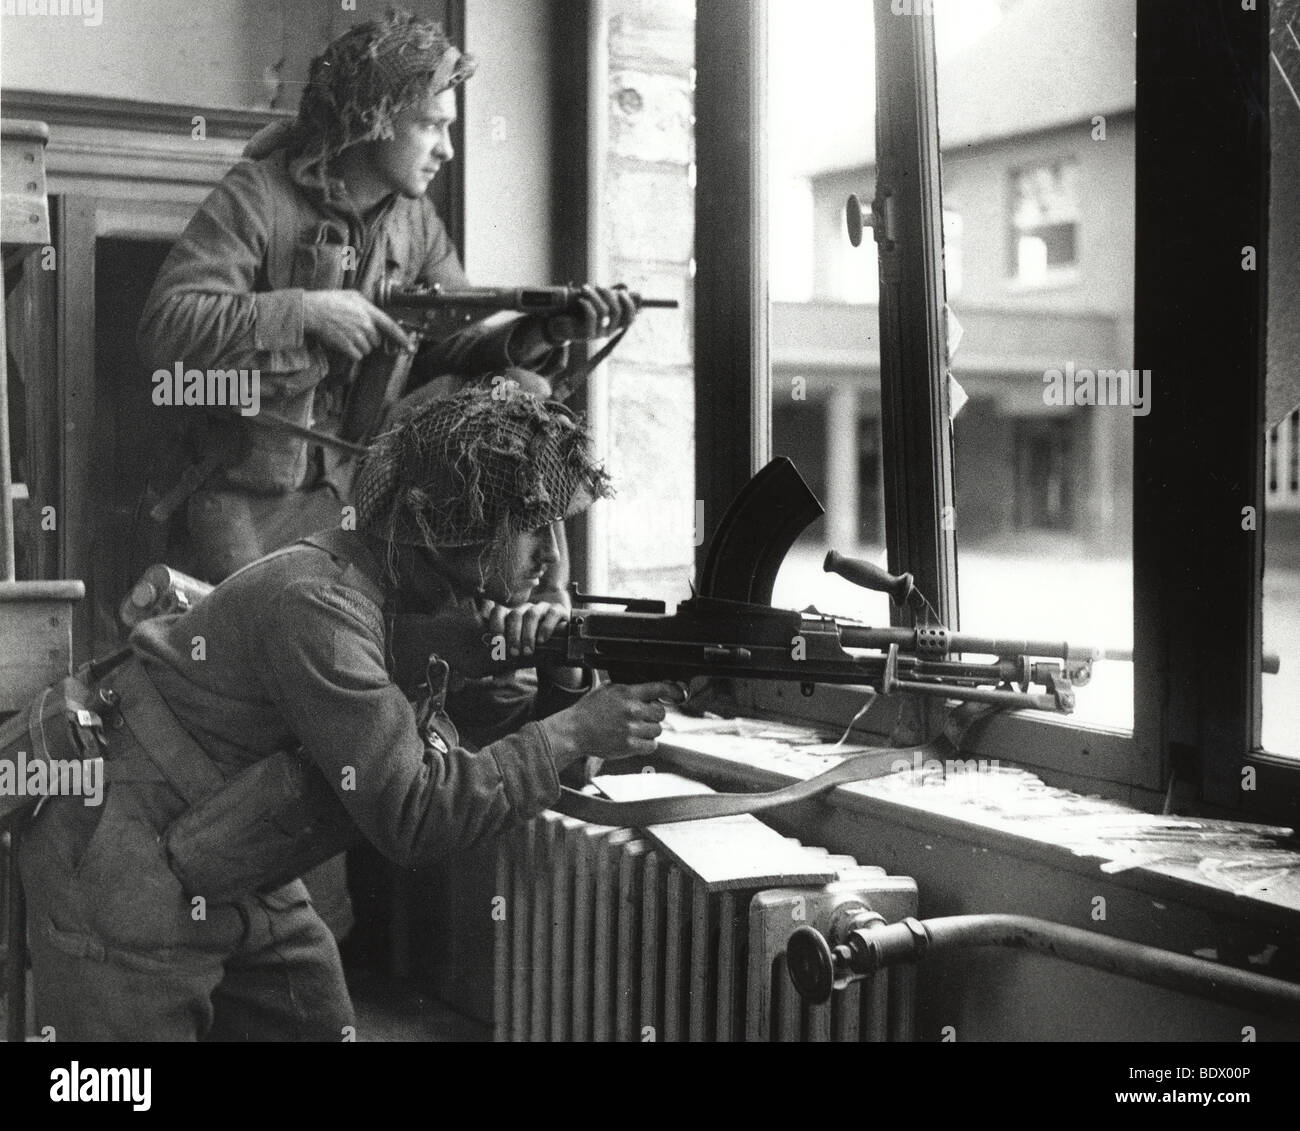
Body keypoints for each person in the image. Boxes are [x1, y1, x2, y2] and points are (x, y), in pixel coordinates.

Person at [16, 385, 685, 1041]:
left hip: (227, 845)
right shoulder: (322, 607)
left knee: (316, 1022)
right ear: (444, 523)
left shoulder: (416, 597)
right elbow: (414, 814)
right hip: (119, 855)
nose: (552, 558)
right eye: (531, 530)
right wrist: (573, 729)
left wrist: (558, 668)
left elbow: (499, 738)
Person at [137, 7, 636, 584]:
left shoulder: (414, 221)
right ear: (371, 120)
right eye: (430, 125)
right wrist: (305, 313)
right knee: (272, 636)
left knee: (521, 395)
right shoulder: (258, 195)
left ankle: (547, 617)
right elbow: (165, 331)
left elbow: (449, 349)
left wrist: (544, 331)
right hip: (253, 500)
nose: (447, 149)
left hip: (375, 486)